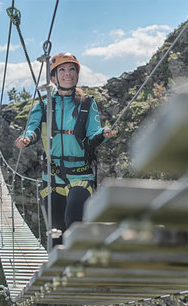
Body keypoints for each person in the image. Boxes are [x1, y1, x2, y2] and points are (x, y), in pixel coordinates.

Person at [14, 52, 116, 247]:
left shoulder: (87, 103)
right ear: (53, 78)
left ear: (77, 74)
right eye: (62, 70)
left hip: (81, 176)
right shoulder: (44, 105)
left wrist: (103, 133)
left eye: (71, 69)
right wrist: (26, 139)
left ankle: (78, 270)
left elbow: (93, 133)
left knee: (74, 223)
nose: (67, 74)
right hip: (52, 177)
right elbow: (32, 128)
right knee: (56, 232)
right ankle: (56, 273)